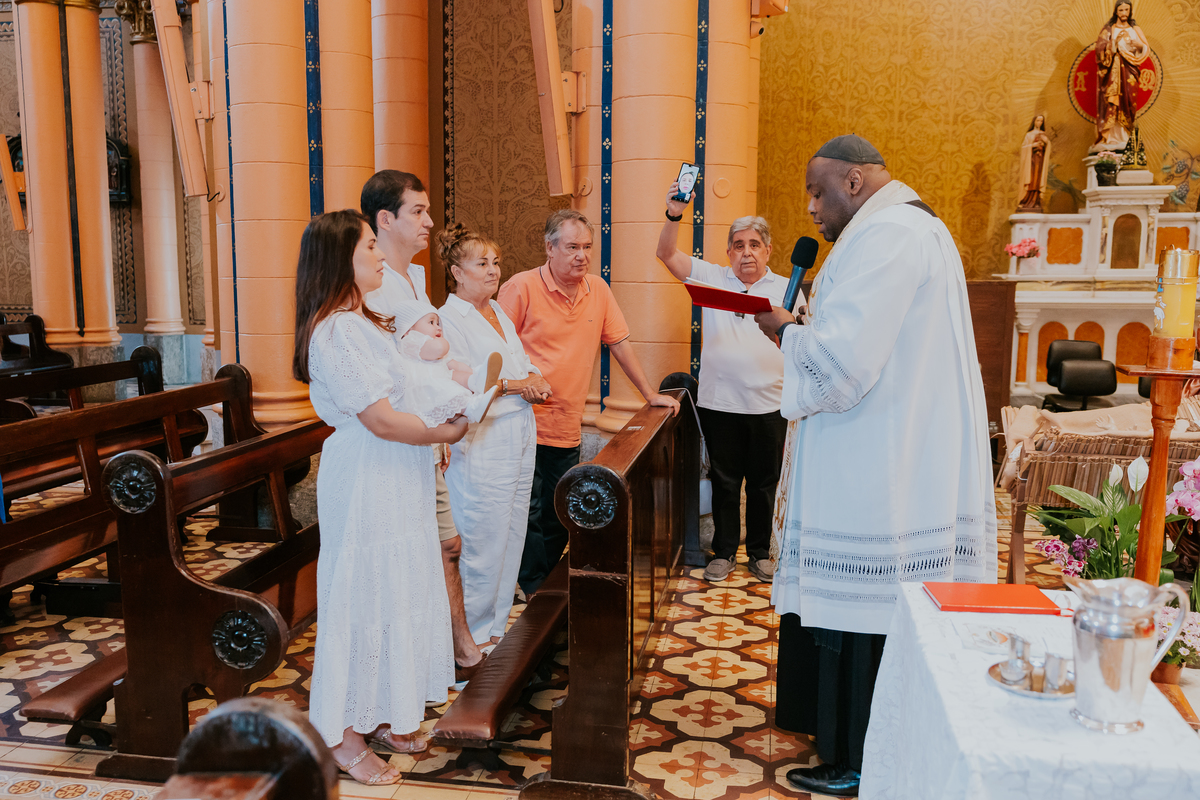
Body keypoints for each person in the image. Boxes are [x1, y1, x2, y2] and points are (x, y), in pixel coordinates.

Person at [752, 135, 996, 797]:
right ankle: (849, 745)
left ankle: (858, 758)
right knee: (868, 610)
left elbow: (844, 367)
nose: (810, 207)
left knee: (866, 609)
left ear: (854, 181)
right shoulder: (906, 227)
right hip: (888, 450)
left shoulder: (889, 236)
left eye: (818, 191)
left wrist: (789, 335)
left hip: (878, 462)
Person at [292, 209, 466, 785]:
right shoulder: (336, 329)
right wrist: (444, 431)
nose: (380, 255)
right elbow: (384, 420)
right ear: (340, 257)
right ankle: (340, 736)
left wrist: (456, 397)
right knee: (360, 596)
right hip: (369, 474)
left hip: (395, 475)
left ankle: (388, 710)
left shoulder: (361, 321)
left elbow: (406, 389)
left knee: (397, 589)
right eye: (370, 246)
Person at [499, 209, 681, 596]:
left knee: (556, 513)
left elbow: (620, 344)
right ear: (549, 247)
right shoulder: (521, 287)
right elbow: (495, 349)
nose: (581, 255)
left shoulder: (597, 289)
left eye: (586, 247)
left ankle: (544, 585)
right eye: (571, 247)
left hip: (566, 422)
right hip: (523, 421)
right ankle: (534, 587)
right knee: (527, 510)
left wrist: (649, 394)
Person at [360, 170, 484, 677]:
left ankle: (456, 650)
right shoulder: (369, 282)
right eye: (418, 211)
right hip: (395, 440)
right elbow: (385, 371)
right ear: (385, 219)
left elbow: (423, 360)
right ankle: (438, 657)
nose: (430, 221)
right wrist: (433, 427)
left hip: (423, 437)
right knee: (425, 552)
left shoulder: (413, 277)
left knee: (446, 545)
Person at [656, 190, 790, 583]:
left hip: (771, 404)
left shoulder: (787, 286)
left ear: (767, 250)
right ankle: (726, 551)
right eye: (738, 245)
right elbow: (666, 254)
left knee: (765, 484)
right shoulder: (713, 277)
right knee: (726, 483)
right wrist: (674, 213)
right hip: (721, 404)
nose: (746, 252)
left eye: (754, 244)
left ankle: (762, 552)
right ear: (728, 251)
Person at [437, 224, 551, 646]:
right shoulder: (449, 320)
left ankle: (495, 627)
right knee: (483, 536)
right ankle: (469, 636)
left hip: (519, 430)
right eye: (481, 263)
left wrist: (535, 377)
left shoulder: (497, 311)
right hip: (483, 439)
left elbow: (519, 362)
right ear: (456, 272)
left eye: (496, 262)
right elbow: (464, 385)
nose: (493, 270)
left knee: (513, 531)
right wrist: (518, 384)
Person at [389, 300, 502, 426]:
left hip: (439, 379)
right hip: (426, 389)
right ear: (408, 329)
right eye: (431, 322)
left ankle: (476, 380)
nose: (438, 327)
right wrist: (444, 343)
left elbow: (454, 364)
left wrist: (473, 372)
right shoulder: (410, 340)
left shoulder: (434, 348)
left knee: (454, 374)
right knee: (447, 388)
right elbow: (438, 349)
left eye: (438, 323)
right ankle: (472, 408)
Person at [1095, 2, 1149, 150]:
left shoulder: (1134, 29)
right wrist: (1114, 44)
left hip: (1130, 70)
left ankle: (1125, 135)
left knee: (1128, 100)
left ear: (1130, 11)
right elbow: (1099, 50)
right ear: (1116, 12)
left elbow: (1144, 47)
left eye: (1127, 10)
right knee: (1113, 101)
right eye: (1121, 10)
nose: (1124, 12)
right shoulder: (1109, 29)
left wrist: (1135, 43)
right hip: (1114, 69)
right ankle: (1110, 137)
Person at [1018, 115, 1050, 211]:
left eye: (1041, 121)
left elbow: (1048, 147)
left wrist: (1046, 143)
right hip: (1031, 161)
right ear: (1034, 121)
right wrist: (1033, 145)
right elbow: (1023, 148)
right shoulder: (1029, 134)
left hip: (1040, 160)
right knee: (1031, 179)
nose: (1039, 123)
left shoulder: (1043, 134)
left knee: (1037, 179)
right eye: (1037, 120)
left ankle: (1036, 200)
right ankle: (1027, 199)